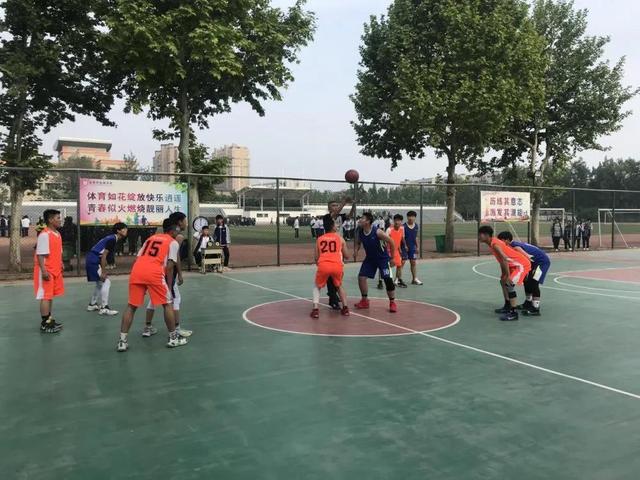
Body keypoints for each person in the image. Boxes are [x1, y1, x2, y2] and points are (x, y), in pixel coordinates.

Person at [117, 218, 188, 352]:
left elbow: (139, 257)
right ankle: (173, 338)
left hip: (137, 271)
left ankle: (122, 341)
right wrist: (167, 285)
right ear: (174, 231)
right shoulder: (172, 242)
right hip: (154, 272)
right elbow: (170, 266)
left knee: (131, 306)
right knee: (167, 303)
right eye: (177, 231)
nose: (178, 233)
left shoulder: (151, 238)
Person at [143, 211, 192, 338]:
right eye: (185, 220)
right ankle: (176, 329)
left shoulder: (160, 235)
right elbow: (175, 258)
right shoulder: (178, 237)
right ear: (179, 222)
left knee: (153, 299)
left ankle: (147, 327)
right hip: (167, 272)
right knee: (175, 299)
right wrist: (179, 274)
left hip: (154, 271)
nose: (186, 223)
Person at [478, 225, 531, 321]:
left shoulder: (495, 244)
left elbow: (505, 259)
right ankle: (507, 305)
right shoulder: (492, 243)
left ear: (486, 235)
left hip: (521, 264)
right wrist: (504, 275)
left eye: (480, 234)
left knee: (509, 283)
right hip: (513, 265)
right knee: (503, 281)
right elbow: (502, 261)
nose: (479, 237)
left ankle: (514, 313)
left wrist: (507, 275)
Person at [497, 231, 551, 316]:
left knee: (534, 282)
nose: (499, 243)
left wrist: (527, 256)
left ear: (507, 240)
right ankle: (528, 302)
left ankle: (535, 308)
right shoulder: (512, 244)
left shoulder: (514, 246)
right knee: (526, 280)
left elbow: (519, 250)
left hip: (541, 262)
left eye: (501, 240)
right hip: (532, 263)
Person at [354, 212, 398, 313]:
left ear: (368, 221)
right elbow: (358, 242)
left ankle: (392, 302)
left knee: (388, 280)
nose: (360, 220)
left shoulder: (378, 232)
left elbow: (391, 242)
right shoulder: (360, 231)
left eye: (362, 218)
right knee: (361, 277)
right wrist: (356, 251)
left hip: (383, 259)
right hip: (370, 259)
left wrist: (392, 258)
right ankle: (364, 301)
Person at [310, 217, 350, 318]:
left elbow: (316, 257)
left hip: (324, 265)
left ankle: (315, 310)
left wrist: (321, 264)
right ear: (332, 227)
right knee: (339, 286)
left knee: (317, 286)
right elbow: (347, 256)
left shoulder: (319, 239)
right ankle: (345, 308)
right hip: (337, 265)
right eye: (335, 224)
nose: (337, 226)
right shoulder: (340, 239)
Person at [86, 223, 128, 316]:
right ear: (118, 231)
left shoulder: (112, 238)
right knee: (106, 282)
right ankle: (104, 308)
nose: (126, 230)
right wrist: (104, 272)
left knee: (100, 283)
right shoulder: (112, 239)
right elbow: (104, 256)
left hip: (92, 258)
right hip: (94, 260)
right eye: (124, 229)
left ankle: (92, 304)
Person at [34, 209, 64, 333]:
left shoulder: (57, 234)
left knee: (50, 296)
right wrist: (44, 271)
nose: (60, 220)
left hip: (55, 270)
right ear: (50, 220)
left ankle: (49, 319)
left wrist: (60, 263)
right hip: (46, 270)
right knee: (45, 296)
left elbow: (58, 251)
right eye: (58, 218)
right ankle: (45, 323)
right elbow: (40, 255)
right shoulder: (44, 234)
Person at [386, 214, 407, 288]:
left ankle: (398, 280)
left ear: (401, 222)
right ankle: (383, 280)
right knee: (388, 266)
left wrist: (403, 247)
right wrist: (387, 252)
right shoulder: (389, 229)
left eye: (399, 220)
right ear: (393, 221)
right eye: (396, 220)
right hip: (389, 251)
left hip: (396, 251)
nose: (397, 222)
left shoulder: (402, 229)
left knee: (399, 265)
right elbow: (385, 241)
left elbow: (401, 238)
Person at [402, 211, 422, 285]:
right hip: (404, 247)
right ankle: (398, 279)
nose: (410, 218)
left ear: (415, 218)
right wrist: (405, 245)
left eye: (412, 216)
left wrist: (417, 246)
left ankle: (414, 279)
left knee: (413, 262)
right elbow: (402, 238)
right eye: (409, 216)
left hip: (412, 247)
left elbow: (415, 237)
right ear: (407, 217)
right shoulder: (403, 226)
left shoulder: (416, 226)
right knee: (402, 262)